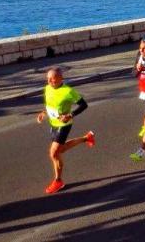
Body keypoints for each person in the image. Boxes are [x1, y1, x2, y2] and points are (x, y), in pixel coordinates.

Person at [36, 66, 94, 194]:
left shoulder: (68, 91)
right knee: (60, 149)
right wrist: (43, 113)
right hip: (53, 124)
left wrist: (70, 115)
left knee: (54, 153)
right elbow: (49, 104)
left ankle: (58, 180)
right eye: (48, 79)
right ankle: (86, 138)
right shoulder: (47, 88)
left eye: (54, 78)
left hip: (64, 125)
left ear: (61, 78)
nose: (51, 81)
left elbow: (84, 105)